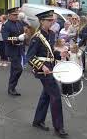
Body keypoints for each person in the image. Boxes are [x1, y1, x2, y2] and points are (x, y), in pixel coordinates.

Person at [27, 10, 69, 138]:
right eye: (49, 20)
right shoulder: (36, 37)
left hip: (51, 68)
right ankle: (59, 127)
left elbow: (50, 53)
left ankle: (38, 120)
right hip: (43, 71)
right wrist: (41, 66)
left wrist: (59, 54)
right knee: (55, 96)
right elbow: (29, 56)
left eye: (52, 20)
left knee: (46, 95)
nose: (52, 22)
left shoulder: (51, 34)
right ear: (41, 21)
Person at [2, 7, 25, 96]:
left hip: (19, 49)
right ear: (9, 15)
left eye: (17, 15)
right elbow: (6, 38)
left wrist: (24, 36)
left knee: (14, 69)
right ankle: (12, 87)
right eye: (14, 15)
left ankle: (11, 88)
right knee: (18, 69)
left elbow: (22, 33)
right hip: (12, 49)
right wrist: (17, 38)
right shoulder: (6, 25)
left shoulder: (19, 23)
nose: (16, 16)